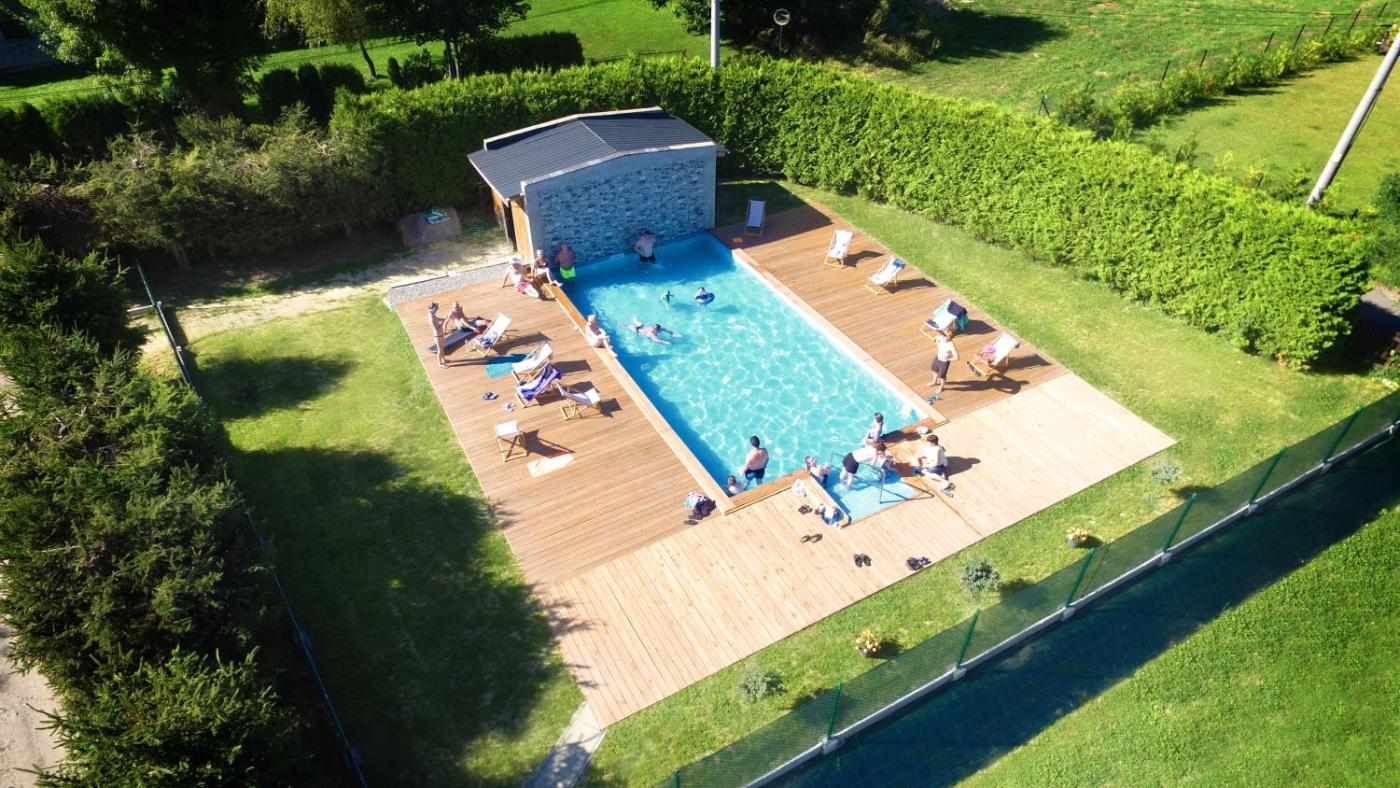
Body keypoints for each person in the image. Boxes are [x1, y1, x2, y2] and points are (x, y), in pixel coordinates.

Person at [928, 332, 958, 399]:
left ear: (949, 338)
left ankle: (941, 387)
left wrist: (948, 359)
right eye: (943, 336)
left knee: (941, 376)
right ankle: (934, 382)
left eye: (945, 336)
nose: (943, 337)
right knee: (934, 370)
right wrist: (936, 340)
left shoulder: (951, 345)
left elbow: (957, 357)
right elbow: (938, 342)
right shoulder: (941, 338)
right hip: (938, 357)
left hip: (944, 362)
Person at [427, 302, 449, 367]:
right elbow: (437, 328)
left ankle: (444, 360)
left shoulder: (432, 315)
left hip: (440, 335)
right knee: (440, 350)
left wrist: (444, 318)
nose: (437, 310)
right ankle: (440, 364)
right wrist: (443, 322)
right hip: (437, 336)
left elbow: (438, 319)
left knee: (442, 348)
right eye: (436, 309)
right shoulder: (431, 319)